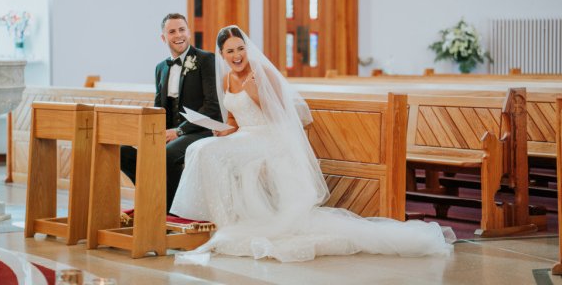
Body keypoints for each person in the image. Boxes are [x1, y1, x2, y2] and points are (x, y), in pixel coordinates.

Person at [170, 25, 456, 265]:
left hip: (268, 137)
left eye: (240, 48)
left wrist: (256, 92)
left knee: (204, 151)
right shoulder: (227, 79)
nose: (236, 56)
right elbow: (233, 118)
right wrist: (223, 131)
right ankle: (218, 220)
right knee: (201, 147)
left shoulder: (262, 74)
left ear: (247, 48)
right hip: (244, 136)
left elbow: (280, 117)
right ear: (222, 54)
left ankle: (227, 224)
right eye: (229, 51)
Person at [120, 13, 221, 210]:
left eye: (182, 29)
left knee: (166, 155)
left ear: (189, 32)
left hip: (200, 130)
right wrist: (147, 133)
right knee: (123, 152)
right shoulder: (160, 68)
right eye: (172, 31)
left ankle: (169, 213)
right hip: (169, 132)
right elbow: (159, 109)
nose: (178, 35)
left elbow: (212, 107)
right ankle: (152, 194)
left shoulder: (206, 60)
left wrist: (179, 131)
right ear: (163, 38)